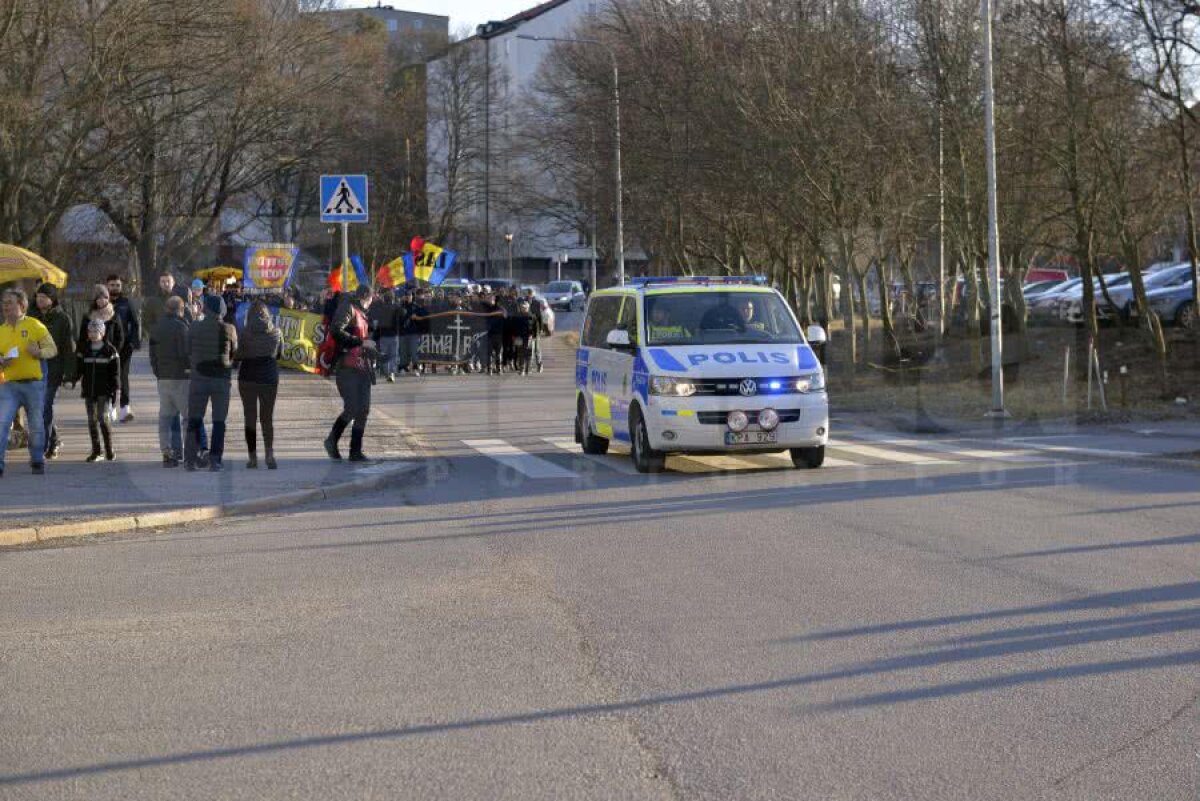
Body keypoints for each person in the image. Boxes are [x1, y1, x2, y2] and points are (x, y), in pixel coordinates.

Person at [0, 289, 58, 477]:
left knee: (35, 424)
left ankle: (37, 460)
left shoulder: (35, 325)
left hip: (34, 385)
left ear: (22, 306)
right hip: (9, 385)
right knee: (2, 423)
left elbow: (53, 349)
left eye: (10, 302)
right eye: (4, 302)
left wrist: (39, 353)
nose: (5, 306)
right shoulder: (1, 330)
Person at [324, 285, 376, 463]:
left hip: (362, 368)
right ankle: (332, 440)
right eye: (370, 299)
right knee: (352, 408)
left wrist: (373, 350)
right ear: (365, 297)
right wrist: (359, 342)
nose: (371, 303)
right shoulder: (349, 308)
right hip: (347, 366)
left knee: (363, 410)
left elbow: (362, 341)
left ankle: (355, 451)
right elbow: (336, 329)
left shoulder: (362, 313)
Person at [185, 294, 237, 472]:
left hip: (199, 378)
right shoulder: (229, 329)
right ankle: (215, 460)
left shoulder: (194, 327)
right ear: (221, 310)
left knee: (194, 419)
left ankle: (190, 460)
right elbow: (234, 354)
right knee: (219, 421)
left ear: (205, 309)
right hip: (221, 380)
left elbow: (187, 349)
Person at [30, 283, 76, 460]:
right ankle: (53, 440)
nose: (40, 301)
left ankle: (43, 446)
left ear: (52, 299)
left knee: (45, 405)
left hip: (53, 369)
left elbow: (68, 348)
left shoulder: (62, 318)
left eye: (44, 297)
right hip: (32, 368)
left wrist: (69, 375)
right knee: (39, 408)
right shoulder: (30, 316)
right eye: (38, 297)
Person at [236, 301, 282, 470]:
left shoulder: (245, 333)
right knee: (267, 418)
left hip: (248, 377)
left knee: (250, 417)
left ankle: (252, 457)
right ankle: (269, 454)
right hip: (269, 378)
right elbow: (279, 354)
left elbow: (238, 355)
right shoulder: (276, 332)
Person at [149, 296, 191, 468]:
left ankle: (167, 453)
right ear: (180, 309)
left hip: (163, 379)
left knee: (165, 418)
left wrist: (158, 373)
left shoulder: (156, 328)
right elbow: (185, 354)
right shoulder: (181, 327)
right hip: (180, 378)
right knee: (188, 417)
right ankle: (190, 453)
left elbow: (152, 356)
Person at [77, 319, 119, 462]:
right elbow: (79, 369)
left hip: (104, 391)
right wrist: (70, 379)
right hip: (89, 390)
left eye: (96, 331)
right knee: (91, 420)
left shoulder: (110, 350)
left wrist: (115, 392)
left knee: (102, 418)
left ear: (102, 333)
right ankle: (96, 451)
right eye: (91, 331)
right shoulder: (84, 349)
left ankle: (109, 449)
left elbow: (115, 374)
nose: (93, 334)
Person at [105, 274, 140, 422]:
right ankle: (109, 408)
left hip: (124, 347)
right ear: (107, 286)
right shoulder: (101, 302)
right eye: (112, 285)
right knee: (107, 377)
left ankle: (125, 408)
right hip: (104, 347)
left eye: (118, 285)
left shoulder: (126, 303)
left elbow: (135, 323)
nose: (115, 288)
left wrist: (133, 343)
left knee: (123, 376)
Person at [370, 289, 399, 383]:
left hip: (383, 336)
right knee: (393, 355)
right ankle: (392, 373)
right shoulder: (396, 308)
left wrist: (376, 335)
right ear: (393, 299)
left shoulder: (381, 310)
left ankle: (386, 373)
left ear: (384, 299)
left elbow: (378, 324)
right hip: (394, 335)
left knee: (384, 354)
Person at [510, 300, 537, 375]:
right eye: (522, 307)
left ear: (528, 308)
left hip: (529, 338)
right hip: (519, 338)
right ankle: (522, 369)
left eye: (525, 307)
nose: (523, 308)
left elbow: (536, 328)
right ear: (520, 308)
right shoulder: (516, 317)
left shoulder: (532, 316)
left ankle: (528, 369)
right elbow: (512, 327)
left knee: (529, 354)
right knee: (520, 353)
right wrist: (513, 336)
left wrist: (534, 336)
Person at [524, 288, 546, 373]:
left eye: (531, 293)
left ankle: (539, 364)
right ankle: (528, 367)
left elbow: (540, 317)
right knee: (529, 349)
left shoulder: (537, 303)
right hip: (527, 329)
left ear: (533, 294)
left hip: (535, 329)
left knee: (537, 349)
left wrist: (541, 328)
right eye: (528, 293)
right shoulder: (524, 302)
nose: (529, 295)